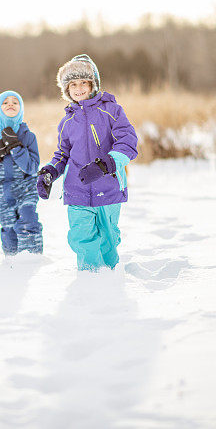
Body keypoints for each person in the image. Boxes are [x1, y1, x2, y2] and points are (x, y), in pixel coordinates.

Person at [37, 54, 138, 270]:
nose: (79, 88)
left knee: (108, 240)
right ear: (66, 89)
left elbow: (128, 143)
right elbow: (62, 155)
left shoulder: (112, 111)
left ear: (94, 84)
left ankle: (110, 276)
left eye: (84, 82)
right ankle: (90, 279)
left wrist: (105, 165)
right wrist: (49, 173)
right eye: (73, 84)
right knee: (81, 238)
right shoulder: (67, 122)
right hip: (77, 190)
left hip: (108, 189)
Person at [0, 90, 43, 255]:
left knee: (28, 219)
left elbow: (32, 167)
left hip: (26, 187)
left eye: (15, 102)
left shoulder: (28, 137)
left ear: (21, 108)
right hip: (2, 191)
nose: (10, 104)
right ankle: (11, 261)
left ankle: (32, 257)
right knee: (9, 225)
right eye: (5, 102)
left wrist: (16, 147)